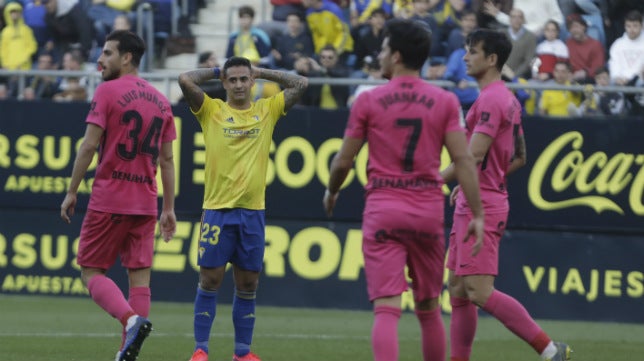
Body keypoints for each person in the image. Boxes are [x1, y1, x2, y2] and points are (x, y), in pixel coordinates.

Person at [323, 18, 485, 361]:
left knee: (386, 309)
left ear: (395, 56)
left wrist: (332, 191)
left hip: (383, 209)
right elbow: (464, 161)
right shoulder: (443, 101)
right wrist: (478, 213)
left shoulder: (368, 101)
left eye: (383, 49)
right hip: (426, 211)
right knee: (428, 310)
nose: (380, 55)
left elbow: (342, 161)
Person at [440, 29, 571, 361]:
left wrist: (432, 180)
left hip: (482, 206)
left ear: (492, 59)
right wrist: (471, 181)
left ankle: (549, 350)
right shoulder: (507, 98)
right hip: (476, 198)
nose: (465, 57)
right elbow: (519, 157)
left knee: (478, 291)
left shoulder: (491, 99)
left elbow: (472, 156)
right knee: (458, 289)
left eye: (472, 51)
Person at [177, 56, 308, 361]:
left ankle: (242, 353)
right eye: (232, 79)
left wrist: (260, 70)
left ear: (252, 82)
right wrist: (215, 70)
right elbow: (185, 79)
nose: (238, 85)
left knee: (248, 283)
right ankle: (200, 350)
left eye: (243, 79)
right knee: (210, 280)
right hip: (217, 210)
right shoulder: (211, 110)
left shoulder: (267, 109)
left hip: (252, 212)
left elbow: (301, 83)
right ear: (224, 83)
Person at [60, 30, 177, 361]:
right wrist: (168, 208)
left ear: (127, 58)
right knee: (139, 280)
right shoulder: (162, 100)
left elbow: (88, 146)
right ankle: (128, 351)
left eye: (108, 53)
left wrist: (71, 191)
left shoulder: (108, 91)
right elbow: (167, 161)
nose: (100, 59)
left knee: (91, 271)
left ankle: (131, 321)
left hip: (110, 198)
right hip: (146, 202)